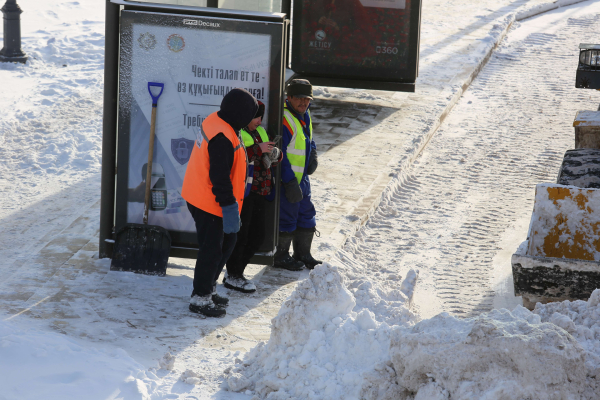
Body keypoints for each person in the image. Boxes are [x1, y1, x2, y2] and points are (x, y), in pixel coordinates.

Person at [181, 88, 258, 317]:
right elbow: (219, 177)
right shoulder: (222, 137)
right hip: (209, 202)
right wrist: (228, 206)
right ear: (239, 114)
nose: (250, 120)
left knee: (227, 243)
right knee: (212, 251)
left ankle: (208, 287)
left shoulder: (220, 121)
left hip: (207, 198)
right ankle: (200, 298)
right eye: (248, 115)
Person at [224, 101, 283, 292]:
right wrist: (259, 150)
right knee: (241, 236)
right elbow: (238, 155)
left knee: (257, 237)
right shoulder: (238, 132)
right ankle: (233, 274)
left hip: (261, 192)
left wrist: (275, 154)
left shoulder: (260, 132)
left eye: (260, 117)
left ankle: (236, 272)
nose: (259, 121)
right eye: (256, 117)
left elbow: (271, 154)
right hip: (245, 193)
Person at [274, 79, 322, 271]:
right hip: (289, 180)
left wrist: (314, 153)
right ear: (289, 97)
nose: (304, 103)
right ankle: (281, 256)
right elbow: (280, 153)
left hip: (302, 179)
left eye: (307, 99)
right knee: (287, 217)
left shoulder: (305, 114)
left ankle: (303, 254)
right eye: (299, 99)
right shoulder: (284, 118)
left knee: (306, 213)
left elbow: (308, 138)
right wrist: (289, 181)